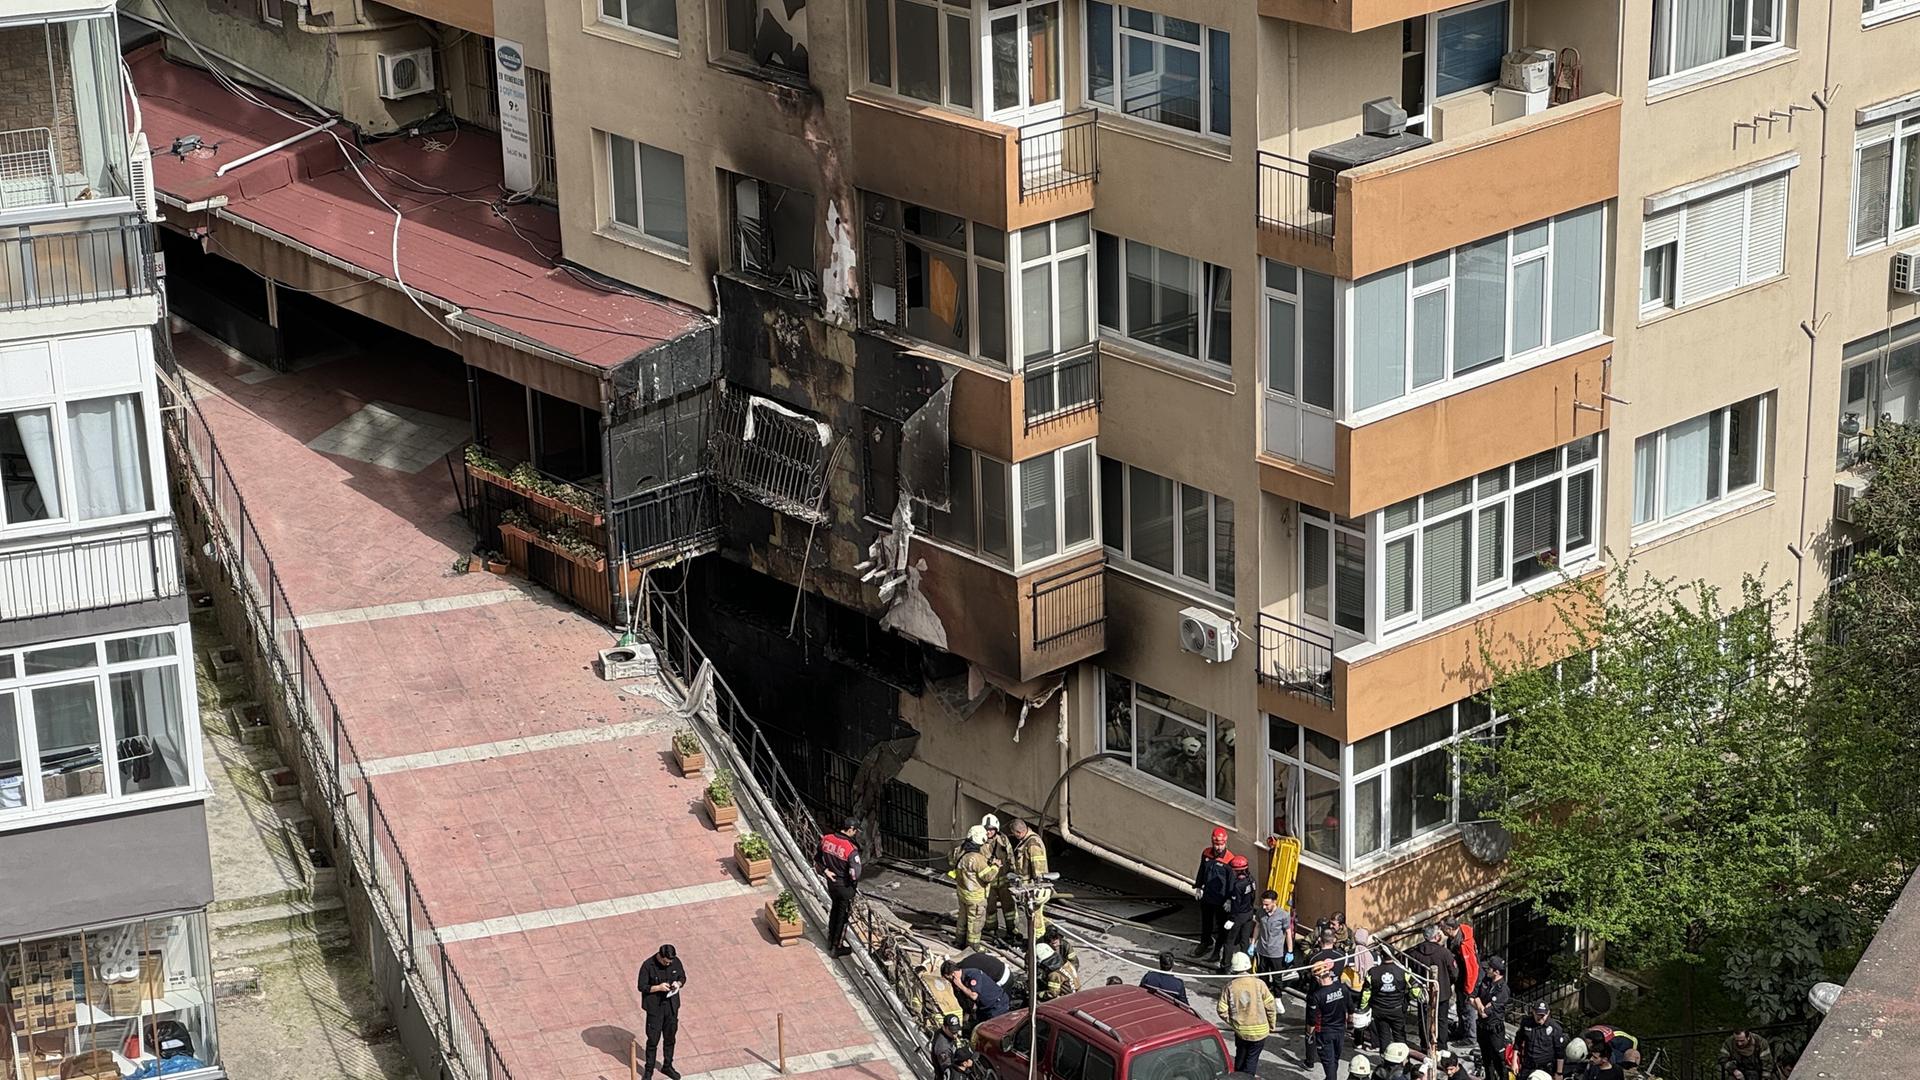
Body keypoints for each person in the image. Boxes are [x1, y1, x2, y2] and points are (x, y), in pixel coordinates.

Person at [1218, 952, 1279, 1074]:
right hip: (1261, 1032)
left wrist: (1233, 1023)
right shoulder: (1259, 984)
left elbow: (1221, 1010)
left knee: (1240, 1056)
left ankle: (1237, 1075)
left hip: (1241, 1031)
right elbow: (1270, 1006)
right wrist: (1272, 1024)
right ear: (1248, 966)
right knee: (1252, 1059)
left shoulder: (1229, 987)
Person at [637, 943, 687, 1080]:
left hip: (671, 1007)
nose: (668, 964)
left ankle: (667, 1065)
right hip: (655, 1009)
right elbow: (642, 987)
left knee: (670, 1038)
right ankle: (648, 1071)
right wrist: (658, 987)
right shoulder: (648, 966)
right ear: (660, 956)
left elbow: (682, 977)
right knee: (653, 1040)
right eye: (666, 961)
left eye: (670, 961)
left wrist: (678, 984)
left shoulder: (675, 962)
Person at [816, 819, 863, 957]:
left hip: (832, 883)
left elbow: (817, 859)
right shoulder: (851, 848)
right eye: (855, 831)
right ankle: (837, 946)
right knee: (842, 917)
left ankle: (830, 940)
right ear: (850, 829)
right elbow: (855, 873)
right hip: (845, 886)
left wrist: (825, 871)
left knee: (835, 910)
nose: (855, 834)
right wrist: (851, 881)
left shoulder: (827, 839)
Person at [1406, 926, 1458, 1049]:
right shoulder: (1444, 953)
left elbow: (1410, 974)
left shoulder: (1414, 953)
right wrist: (1447, 983)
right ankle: (1441, 1045)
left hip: (1423, 993)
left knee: (1424, 1019)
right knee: (1441, 1020)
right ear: (1436, 936)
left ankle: (1425, 1044)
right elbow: (1454, 973)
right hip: (1442, 993)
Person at [1192, 827, 1235, 962]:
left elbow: (1231, 882)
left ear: (1225, 842)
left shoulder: (1229, 859)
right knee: (1206, 921)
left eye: (1221, 844)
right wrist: (1198, 886)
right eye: (1216, 844)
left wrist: (1229, 899)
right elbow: (1201, 870)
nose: (1219, 847)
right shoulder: (1206, 854)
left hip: (1221, 899)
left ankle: (1217, 950)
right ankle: (1205, 942)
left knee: (1221, 925)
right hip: (1208, 895)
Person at [1304, 961, 1352, 1080]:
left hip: (1325, 1033)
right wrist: (1350, 1023)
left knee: (1328, 1061)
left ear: (1317, 977)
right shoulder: (1343, 988)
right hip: (1340, 1030)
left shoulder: (1316, 996)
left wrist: (1309, 1034)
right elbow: (1351, 1009)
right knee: (1334, 1059)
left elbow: (1311, 1020)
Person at [954, 825, 999, 949]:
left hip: (962, 893)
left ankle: (959, 942)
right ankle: (973, 947)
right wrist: (995, 866)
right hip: (976, 897)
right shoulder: (977, 858)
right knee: (975, 923)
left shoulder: (958, 850)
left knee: (962, 918)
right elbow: (988, 876)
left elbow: (953, 863)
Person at [1007, 818, 1050, 939]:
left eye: (1014, 834)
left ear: (1019, 832)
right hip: (1027, 889)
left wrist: (1036, 889)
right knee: (1032, 915)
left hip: (1033, 889)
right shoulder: (1026, 842)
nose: (1014, 837)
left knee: (1035, 916)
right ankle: (1036, 939)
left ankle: (1038, 940)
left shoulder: (1032, 844)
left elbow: (1039, 870)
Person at [1362, 950, 1413, 1052]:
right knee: (1399, 1036)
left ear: (1381, 955)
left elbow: (1366, 993)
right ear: (1394, 956)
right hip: (1397, 1009)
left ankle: (1385, 1061)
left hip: (1379, 1010)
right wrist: (1407, 998)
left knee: (1383, 1036)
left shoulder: (1372, 971)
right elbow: (1416, 991)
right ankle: (1403, 1062)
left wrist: (1363, 1008)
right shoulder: (1404, 971)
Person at [1471, 957, 1510, 1080]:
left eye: (1490, 968)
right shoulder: (1486, 980)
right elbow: (1472, 997)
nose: (1487, 970)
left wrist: (1479, 1004)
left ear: (1497, 972)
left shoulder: (1502, 990)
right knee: (1486, 1059)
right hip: (1482, 1027)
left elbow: (1485, 1013)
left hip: (1494, 1030)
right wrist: (1480, 1005)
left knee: (1499, 1060)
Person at [1444, 919, 1481, 1045]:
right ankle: (1461, 1031)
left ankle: (1470, 1037)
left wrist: (1469, 990)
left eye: (1443, 928)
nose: (1442, 931)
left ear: (1450, 929)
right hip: (1462, 979)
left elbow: (1472, 969)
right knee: (1461, 1008)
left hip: (1467, 981)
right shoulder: (1457, 938)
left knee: (1467, 1009)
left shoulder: (1464, 945)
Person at [1220, 856, 1258, 973]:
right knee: (1244, 940)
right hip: (1249, 913)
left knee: (1229, 941)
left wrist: (1231, 919)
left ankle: (1226, 966)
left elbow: (1236, 904)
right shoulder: (1251, 880)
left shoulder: (1238, 885)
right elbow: (1252, 897)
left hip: (1238, 915)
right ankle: (1246, 965)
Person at [1252, 890, 1294, 995]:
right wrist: (1253, 944)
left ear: (1275, 902)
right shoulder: (1260, 912)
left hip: (1276, 952)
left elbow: (1288, 933)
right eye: (1263, 904)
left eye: (1267, 904)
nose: (1264, 907)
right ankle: (1263, 995)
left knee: (1277, 977)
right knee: (1262, 975)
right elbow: (1257, 927)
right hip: (1262, 950)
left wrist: (1290, 951)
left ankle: (1277, 996)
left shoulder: (1283, 915)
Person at [1514, 1004, 1568, 1080]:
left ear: (1548, 1013)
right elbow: (1518, 1042)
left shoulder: (1555, 1028)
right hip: (1528, 1066)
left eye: (1543, 1015)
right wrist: (1514, 1062)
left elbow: (1560, 1052)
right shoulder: (1526, 1022)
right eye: (1538, 1014)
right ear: (1533, 1011)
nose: (1540, 1018)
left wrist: (1559, 1073)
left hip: (1545, 1068)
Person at [946, 959, 1011, 1023]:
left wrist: (960, 985)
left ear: (953, 974)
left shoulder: (972, 975)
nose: (950, 981)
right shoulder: (963, 979)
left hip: (996, 1005)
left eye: (949, 978)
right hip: (984, 1007)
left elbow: (974, 995)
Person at [931, 1013, 976, 1080]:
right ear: (944, 1027)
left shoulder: (945, 1033)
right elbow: (947, 1068)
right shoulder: (943, 1047)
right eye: (953, 1032)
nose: (955, 1035)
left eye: (956, 1031)